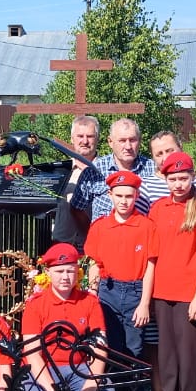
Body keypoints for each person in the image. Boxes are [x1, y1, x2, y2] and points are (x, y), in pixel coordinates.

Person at [148, 152, 196, 391]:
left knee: (189, 354)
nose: (178, 184)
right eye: (173, 179)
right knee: (168, 354)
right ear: (165, 179)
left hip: (189, 291)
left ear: (192, 177)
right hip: (163, 291)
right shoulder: (158, 208)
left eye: (183, 178)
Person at [20, 243, 109, 391]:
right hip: (46, 368)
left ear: (77, 271)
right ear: (48, 273)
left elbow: (101, 346)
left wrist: (93, 381)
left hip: (79, 367)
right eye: (59, 272)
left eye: (70, 271)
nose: (65, 277)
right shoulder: (35, 305)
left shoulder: (90, 302)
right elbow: (32, 354)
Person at [84, 170, 156, 364]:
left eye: (129, 196)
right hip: (108, 291)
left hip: (135, 291)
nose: (124, 201)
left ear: (137, 196)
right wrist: (93, 291)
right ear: (110, 195)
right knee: (110, 345)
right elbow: (94, 263)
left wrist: (145, 304)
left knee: (134, 348)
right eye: (119, 196)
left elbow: (151, 266)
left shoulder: (146, 226)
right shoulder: (100, 227)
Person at [70, 118, 160, 223]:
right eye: (122, 141)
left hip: (142, 236)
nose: (128, 146)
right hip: (104, 237)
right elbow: (76, 208)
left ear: (139, 141)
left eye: (132, 140)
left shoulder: (153, 169)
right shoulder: (94, 170)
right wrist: (94, 231)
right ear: (110, 142)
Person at [51, 115, 99, 250]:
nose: (85, 141)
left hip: (93, 246)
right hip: (61, 246)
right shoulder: (60, 171)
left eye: (90, 136)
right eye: (80, 136)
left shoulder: (106, 171)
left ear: (97, 139)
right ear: (72, 139)